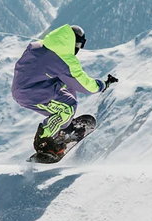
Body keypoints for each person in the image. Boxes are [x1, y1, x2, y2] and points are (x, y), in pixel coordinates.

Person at [11, 24, 118, 159]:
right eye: (78, 45)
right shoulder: (64, 60)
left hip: (30, 87)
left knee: (67, 87)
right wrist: (102, 85)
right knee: (68, 106)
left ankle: (62, 125)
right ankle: (43, 139)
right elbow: (84, 85)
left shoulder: (39, 45)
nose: (77, 48)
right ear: (72, 42)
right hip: (31, 93)